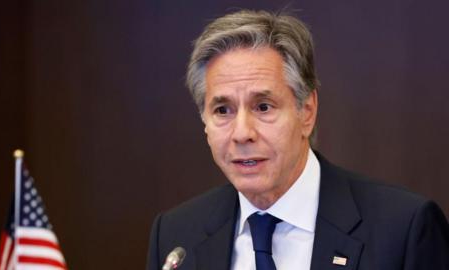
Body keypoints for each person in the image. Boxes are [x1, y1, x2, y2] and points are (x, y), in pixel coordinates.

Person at [146, 10, 449, 270]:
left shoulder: (403, 229)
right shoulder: (176, 237)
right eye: (222, 110)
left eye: (263, 106)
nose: (241, 133)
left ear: (307, 111)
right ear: (205, 122)